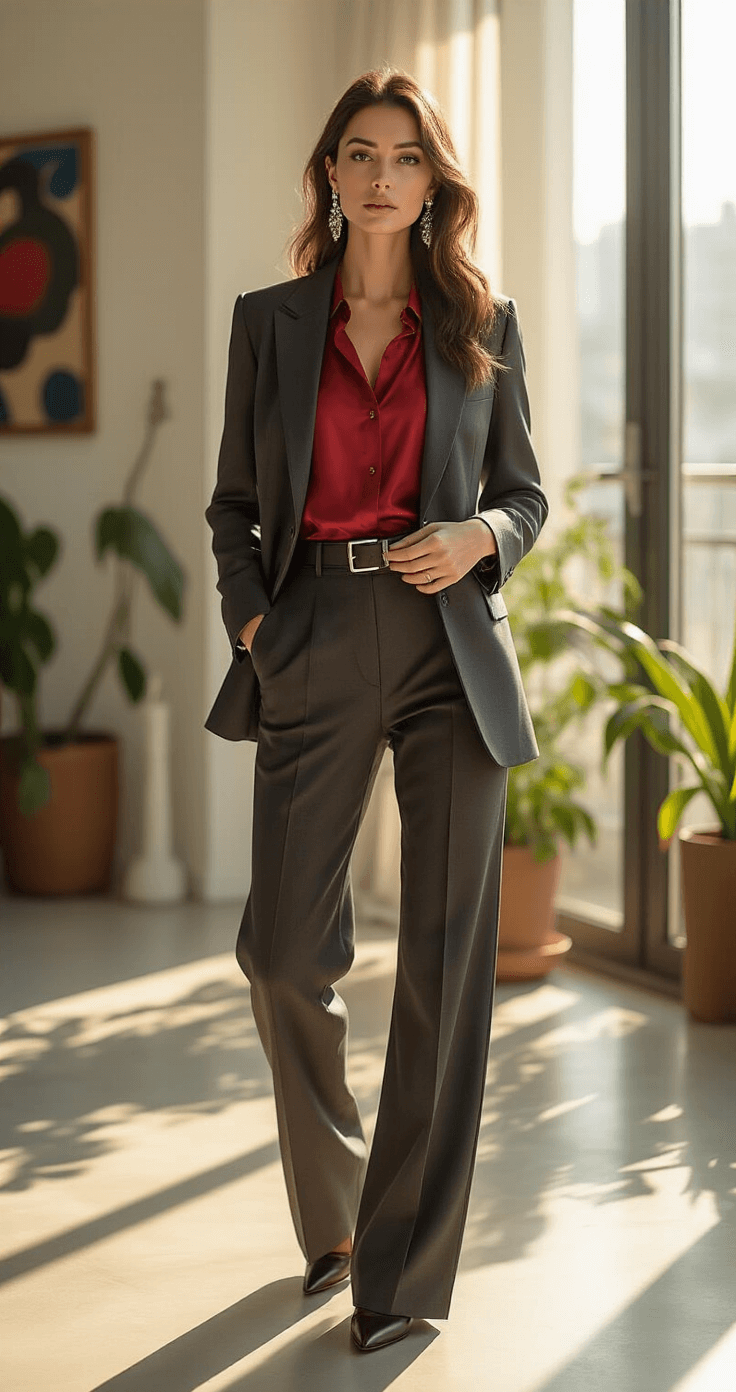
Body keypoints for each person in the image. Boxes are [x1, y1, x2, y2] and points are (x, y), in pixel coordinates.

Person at [205, 65, 547, 1354]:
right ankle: (338, 1216)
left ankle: (401, 1275)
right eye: (361, 153)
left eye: (406, 156)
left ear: (432, 181)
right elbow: (235, 506)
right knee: (284, 954)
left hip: (449, 639)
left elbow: (525, 494)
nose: (383, 175)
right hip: (313, 632)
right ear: (332, 175)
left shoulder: (482, 321)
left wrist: (480, 539)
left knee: (445, 969)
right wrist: (255, 622)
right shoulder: (270, 323)